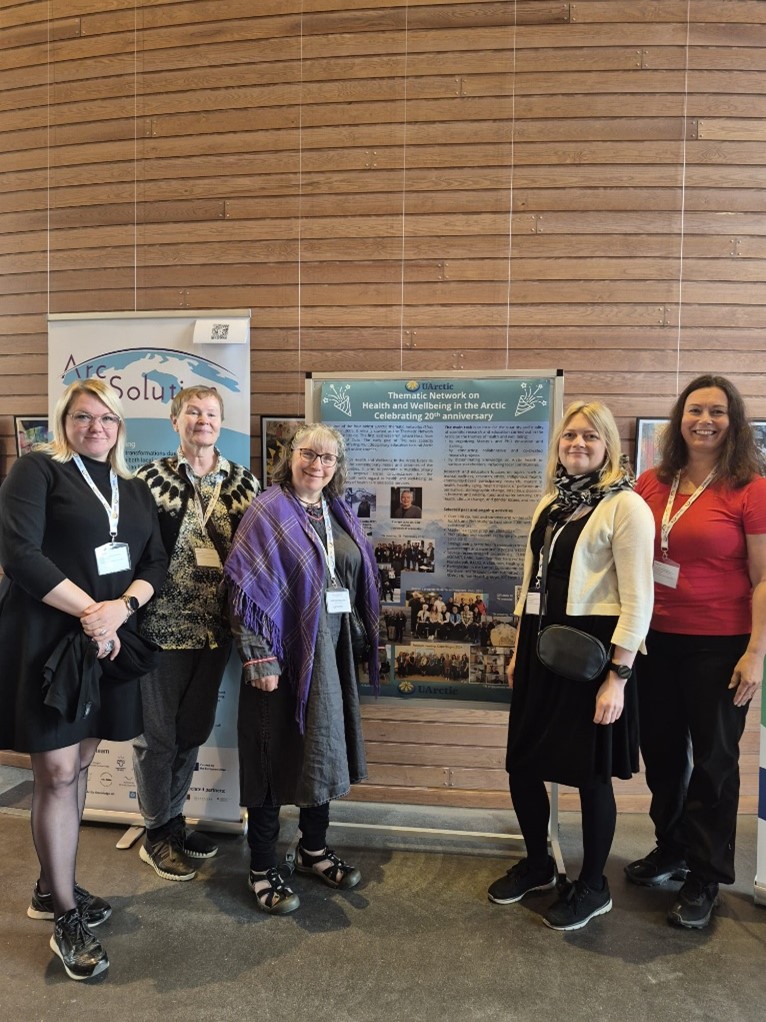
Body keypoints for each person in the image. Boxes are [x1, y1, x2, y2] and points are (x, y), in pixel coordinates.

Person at [0, 379, 167, 980]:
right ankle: (64, 913)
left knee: (82, 764)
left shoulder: (133, 489)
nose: (95, 427)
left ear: (120, 428)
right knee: (57, 770)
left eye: (106, 418)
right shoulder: (37, 472)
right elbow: (20, 555)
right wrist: (90, 613)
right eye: (82, 416)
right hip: (50, 641)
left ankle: (52, 885)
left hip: (110, 642)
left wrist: (121, 608)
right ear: (63, 421)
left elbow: (155, 563)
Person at [488, 401, 655, 931]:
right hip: (540, 647)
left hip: (593, 656)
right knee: (522, 763)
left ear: (608, 445)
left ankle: (593, 886)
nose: (577, 444)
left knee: (589, 776)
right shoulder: (551, 505)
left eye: (589, 437)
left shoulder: (625, 507)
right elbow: (530, 582)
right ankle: (539, 865)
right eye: (569, 437)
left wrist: (619, 677)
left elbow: (640, 599)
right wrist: (518, 646)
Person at [625, 375, 766, 929]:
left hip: (721, 643)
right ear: (678, 419)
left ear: (735, 422)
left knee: (714, 762)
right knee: (661, 753)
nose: (704, 420)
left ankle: (706, 875)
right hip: (655, 641)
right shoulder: (651, 483)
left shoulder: (750, 487)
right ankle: (673, 846)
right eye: (694, 411)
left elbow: (763, 578)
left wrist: (756, 652)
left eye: (717, 412)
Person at [224, 423, 380, 914]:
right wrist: (258, 655)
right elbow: (242, 590)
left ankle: (312, 849)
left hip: (329, 656)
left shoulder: (338, 513)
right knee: (271, 756)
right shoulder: (267, 510)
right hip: (279, 657)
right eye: (309, 454)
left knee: (323, 750)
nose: (318, 464)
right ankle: (262, 866)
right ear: (289, 457)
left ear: (337, 466)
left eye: (328, 457)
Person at [132, 386, 258, 881]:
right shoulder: (148, 480)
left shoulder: (242, 483)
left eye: (211, 413)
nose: (202, 420)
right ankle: (154, 833)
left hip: (214, 633)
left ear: (221, 423)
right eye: (193, 412)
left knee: (190, 734)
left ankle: (174, 820)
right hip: (159, 630)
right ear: (174, 420)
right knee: (156, 739)